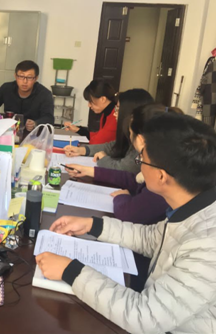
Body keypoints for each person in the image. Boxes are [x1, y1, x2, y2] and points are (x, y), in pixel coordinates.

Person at [37, 113, 216, 334]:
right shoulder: (194, 207)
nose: (138, 168)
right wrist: (93, 225)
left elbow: (144, 317)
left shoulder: (207, 245)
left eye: (142, 160)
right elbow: (150, 239)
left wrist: (70, 270)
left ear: (161, 176)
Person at [63, 89, 153, 174]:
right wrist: (82, 150)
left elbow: (122, 169)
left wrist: (103, 158)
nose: (114, 113)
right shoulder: (131, 132)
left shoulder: (143, 141)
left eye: (118, 109)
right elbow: (114, 146)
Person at [0, 60, 54, 133]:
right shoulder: (6, 88)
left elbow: (49, 118)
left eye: (29, 77)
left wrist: (35, 123)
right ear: (15, 76)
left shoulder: (44, 94)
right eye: (21, 76)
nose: (25, 81)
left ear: (36, 78)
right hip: (9, 132)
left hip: (33, 134)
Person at [64, 79, 117, 145]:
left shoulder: (115, 116)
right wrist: (78, 130)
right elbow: (99, 135)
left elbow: (98, 141)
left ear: (103, 99)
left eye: (91, 101)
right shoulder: (107, 113)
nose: (89, 105)